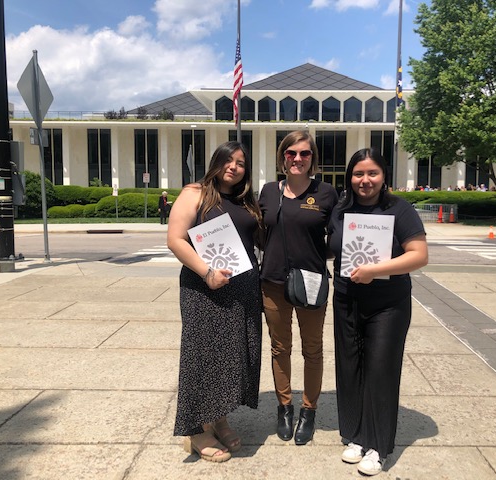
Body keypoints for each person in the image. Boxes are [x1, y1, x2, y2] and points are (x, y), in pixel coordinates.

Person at [327, 148, 428, 476]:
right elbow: (328, 245)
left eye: (372, 173)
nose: (365, 180)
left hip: (388, 303)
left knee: (380, 371)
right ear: (350, 177)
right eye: (358, 174)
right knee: (350, 367)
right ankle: (355, 435)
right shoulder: (342, 209)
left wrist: (376, 269)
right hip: (346, 299)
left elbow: (419, 255)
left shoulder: (400, 210)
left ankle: (378, 445)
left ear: (384, 176)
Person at [167, 141, 262, 463]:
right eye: (229, 160)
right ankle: (195, 430)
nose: (234, 167)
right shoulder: (195, 192)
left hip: (242, 291)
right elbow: (176, 239)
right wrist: (207, 272)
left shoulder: (245, 199)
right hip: (203, 289)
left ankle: (219, 417)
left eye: (241, 163)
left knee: (231, 357)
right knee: (202, 355)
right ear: (216, 161)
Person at [259, 130, 338, 445]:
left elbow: (338, 240)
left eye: (304, 153)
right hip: (273, 283)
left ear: (313, 159)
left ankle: (309, 410)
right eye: (291, 153)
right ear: (282, 157)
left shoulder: (327, 193)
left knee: (312, 350)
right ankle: (285, 407)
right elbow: (255, 233)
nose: (297, 159)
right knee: (280, 348)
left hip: (311, 284)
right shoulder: (267, 192)